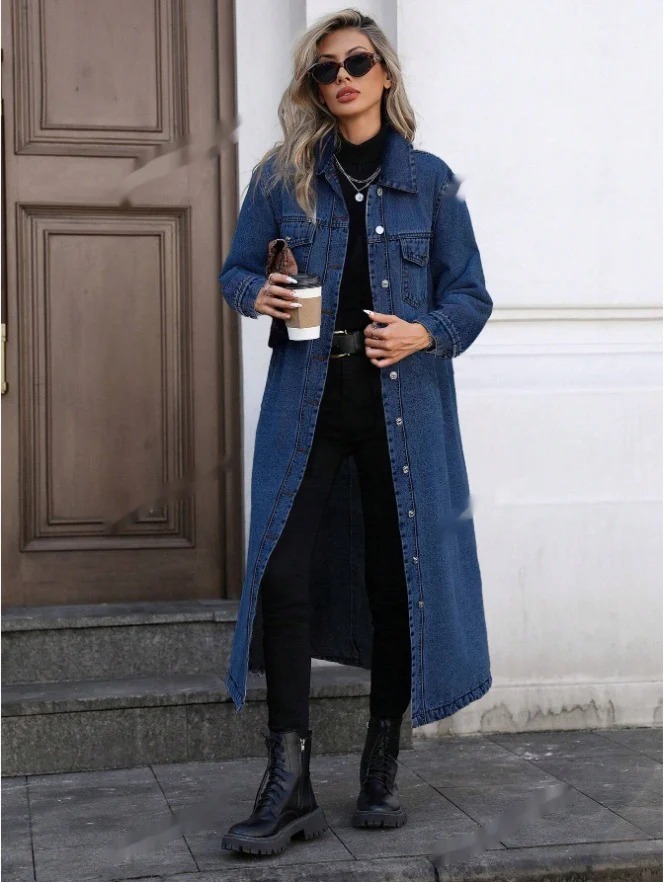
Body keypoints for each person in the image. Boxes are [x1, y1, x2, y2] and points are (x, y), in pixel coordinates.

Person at [218, 7, 493, 857]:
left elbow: (470, 296)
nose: (342, 77)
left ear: (385, 75)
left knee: (395, 577)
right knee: (283, 573)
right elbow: (235, 270)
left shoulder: (431, 183)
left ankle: (381, 763)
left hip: (402, 407)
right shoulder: (283, 178)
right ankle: (288, 779)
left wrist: (424, 332)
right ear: (312, 86)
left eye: (357, 62)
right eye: (325, 68)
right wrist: (257, 292)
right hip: (309, 399)